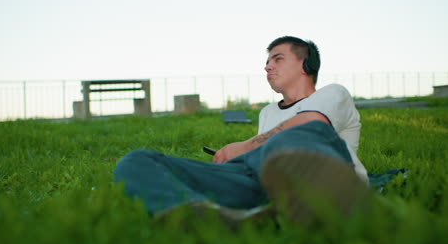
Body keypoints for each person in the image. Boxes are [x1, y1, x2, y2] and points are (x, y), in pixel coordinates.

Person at [114, 36, 369, 223]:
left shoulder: (333, 93)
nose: (268, 67)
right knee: (136, 161)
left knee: (292, 138)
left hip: (314, 173)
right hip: (254, 180)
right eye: (267, 62)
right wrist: (231, 163)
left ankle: (324, 202)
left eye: (278, 59)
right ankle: (201, 214)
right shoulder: (267, 112)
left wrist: (245, 147)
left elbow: (311, 124)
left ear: (305, 66)